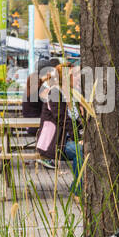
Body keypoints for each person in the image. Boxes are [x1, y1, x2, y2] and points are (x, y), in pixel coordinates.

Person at [36, 63, 81, 193]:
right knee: (82, 150)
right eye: (76, 75)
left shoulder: (71, 94)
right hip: (55, 143)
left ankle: (78, 188)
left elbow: (76, 121)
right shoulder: (55, 93)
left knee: (86, 150)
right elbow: (63, 120)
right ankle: (78, 191)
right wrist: (79, 139)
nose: (79, 78)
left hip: (66, 140)